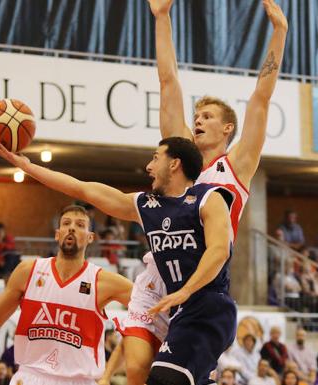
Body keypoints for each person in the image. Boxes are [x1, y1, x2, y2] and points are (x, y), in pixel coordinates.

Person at [100, 0, 289, 383]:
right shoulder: (178, 159)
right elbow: (168, 82)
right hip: (158, 279)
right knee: (141, 374)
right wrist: (162, 19)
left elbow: (261, 99)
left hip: (202, 286)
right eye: (197, 116)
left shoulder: (235, 167)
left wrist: (280, 33)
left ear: (227, 130)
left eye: (208, 117)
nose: (198, 120)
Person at [0, 136, 235, 385]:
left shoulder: (208, 197)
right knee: (142, 372)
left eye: (155, 158)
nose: (149, 167)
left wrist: (186, 290)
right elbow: (81, 188)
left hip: (210, 306)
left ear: (174, 164)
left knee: (165, 378)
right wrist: (27, 166)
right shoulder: (146, 205)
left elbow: (219, 251)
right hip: (179, 310)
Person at [0, 203, 133, 384]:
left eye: (80, 225)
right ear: (57, 234)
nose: (71, 228)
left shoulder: (105, 281)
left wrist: (109, 374)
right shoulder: (28, 271)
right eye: (66, 223)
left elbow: (150, 308)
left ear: (90, 237)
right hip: (31, 375)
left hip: (79, 379)